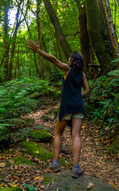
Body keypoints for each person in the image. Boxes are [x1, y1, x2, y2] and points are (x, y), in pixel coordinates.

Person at [28, 40, 89, 178]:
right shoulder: (82, 75)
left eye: (69, 58)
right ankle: (76, 168)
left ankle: (55, 163)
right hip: (78, 106)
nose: (68, 60)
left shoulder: (68, 70)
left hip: (67, 106)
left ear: (73, 61)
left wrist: (38, 51)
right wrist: (77, 96)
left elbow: (54, 59)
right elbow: (87, 90)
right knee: (77, 135)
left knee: (58, 133)